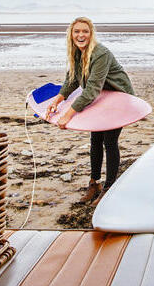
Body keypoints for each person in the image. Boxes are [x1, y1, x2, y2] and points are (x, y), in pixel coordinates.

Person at [46, 17, 135, 206]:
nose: (81, 35)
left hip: (119, 98)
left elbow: (91, 89)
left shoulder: (100, 53)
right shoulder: (77, 53)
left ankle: (109, 188)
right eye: (77, 31)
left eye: (85, 31)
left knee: (110, 141)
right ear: (71, 34)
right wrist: (57, 100)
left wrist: (68, 115)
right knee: (96, 139)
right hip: (102, 98)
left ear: (91, 33)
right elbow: (71, 80)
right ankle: (94, 183)